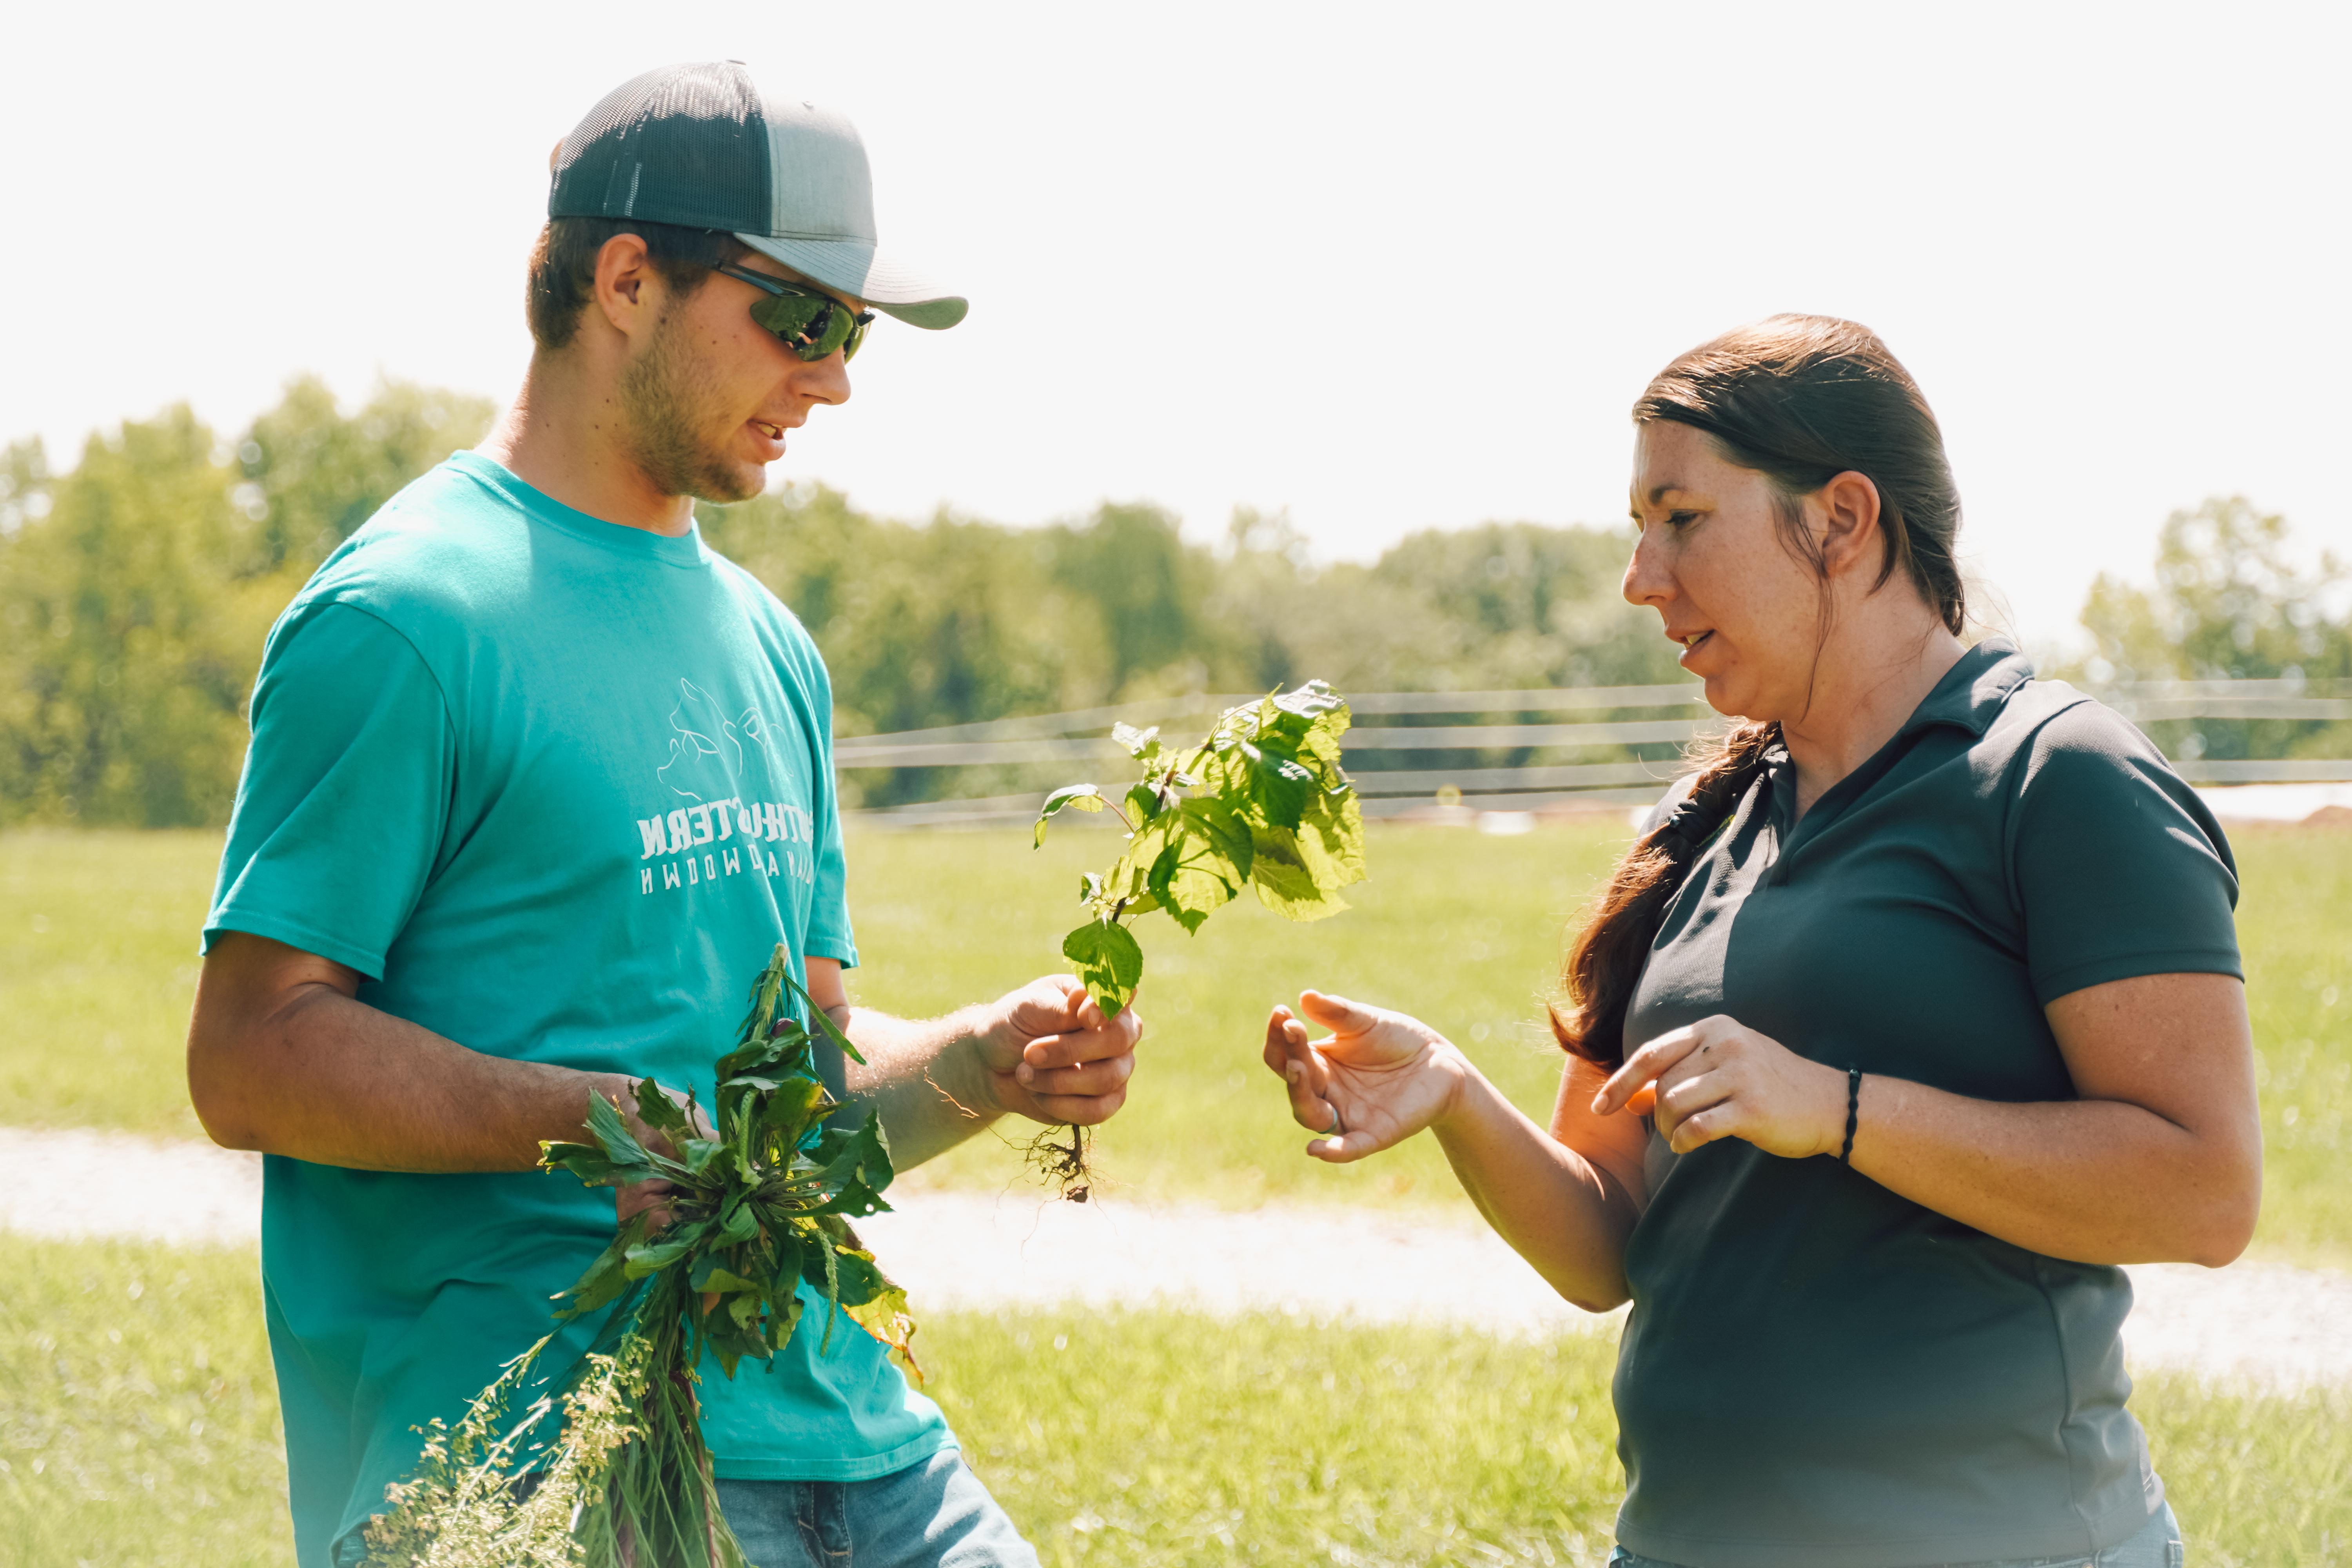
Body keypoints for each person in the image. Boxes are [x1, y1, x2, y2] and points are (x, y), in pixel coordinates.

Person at [185, 62, 1137, 1568]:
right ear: (628, 280)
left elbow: (806, 1073)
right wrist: (583, 1117)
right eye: (803, 319)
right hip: (545, 1468)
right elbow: (248, 1056)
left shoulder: (772, 648)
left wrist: (977, 1056)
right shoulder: (406, 616)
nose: (834, 377)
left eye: (854, 334)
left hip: (850, 1434)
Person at [1261, 315, 2257, 1567]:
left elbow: (2208, 1191)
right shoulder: (1707, 817)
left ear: (1841, 519)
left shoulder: (2057, 778)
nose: (1639, 575)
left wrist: (1839, 1110)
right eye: (1639, 525)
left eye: (1681, 518)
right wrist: (1455, 1097)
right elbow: (1612, 1242)